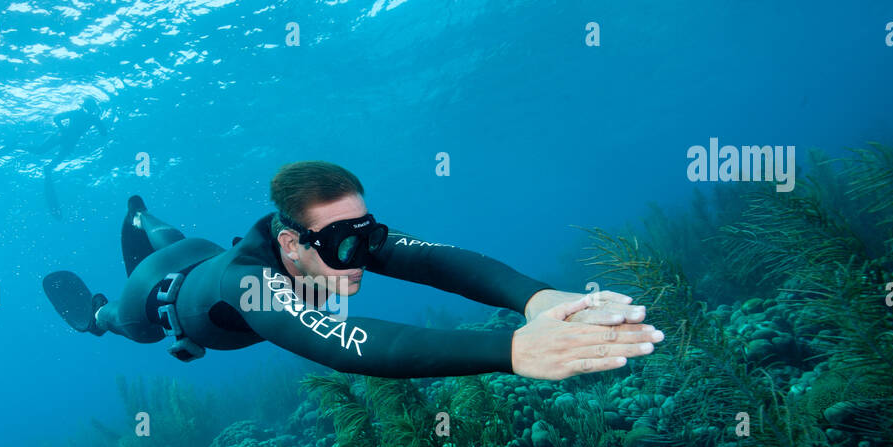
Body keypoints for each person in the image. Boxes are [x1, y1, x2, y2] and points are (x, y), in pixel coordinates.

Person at [42, 161, 663, 379]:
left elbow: (441, 261)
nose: (359, 258)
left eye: (366, 237)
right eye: (342, 245)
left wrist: (535, 298)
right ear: (290, 243)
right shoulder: (251, 285)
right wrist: (512, 351)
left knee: (177, 238)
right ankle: (98, 307)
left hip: (200, 250)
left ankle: (147, 217)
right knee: (120, 321)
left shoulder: (339, 238)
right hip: (157, 299)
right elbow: (347, 343)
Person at [0, 99, 106, 218]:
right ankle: (19, 146)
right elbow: (57, 118)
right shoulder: (83, 115)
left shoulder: (89, 117)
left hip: (67, 139)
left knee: (43, 155)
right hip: (64, 137)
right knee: (40, 151)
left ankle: (38, 163)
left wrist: (94, 125)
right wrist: (65, 129)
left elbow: (102, 132)